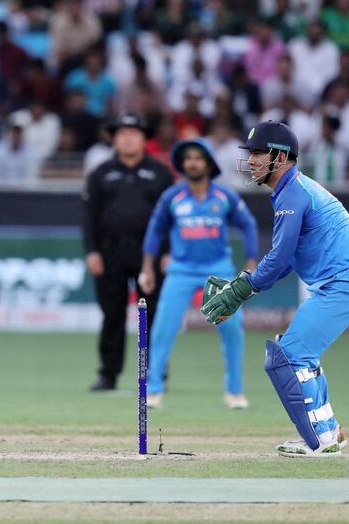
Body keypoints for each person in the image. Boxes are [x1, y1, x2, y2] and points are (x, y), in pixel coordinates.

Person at [201, 120, 349, 457]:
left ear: (280, 157)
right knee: (297, 354)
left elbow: (280, 255)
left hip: (345, 282)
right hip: (347, 280)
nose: (250, 160)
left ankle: (320, 442)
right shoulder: (293, 189)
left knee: (288, 357)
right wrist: (248, 286)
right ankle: (328, 432)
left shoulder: (293, 192)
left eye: (257, 153)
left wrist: (244, 287)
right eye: (249, 153)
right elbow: (285, 262)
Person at [139, 138, 258, 409]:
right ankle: (154, 389)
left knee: (232, 328)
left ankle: (235, 391)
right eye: (187, 158)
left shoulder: (225, 196)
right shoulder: (172, 197)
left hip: (218, 270)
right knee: (162, 330)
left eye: (198, 157)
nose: (192, 162)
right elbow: (155, 230)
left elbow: (248, 224)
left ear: (208, 163)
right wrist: (147, 266)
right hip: (180, 270)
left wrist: (251, 261)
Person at [83, 114, 174, 391]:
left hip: (149, 255)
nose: (127, 138)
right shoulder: (100, 174)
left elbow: (172, 217)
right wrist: (91, 252)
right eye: (121, 133)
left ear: (144, 138)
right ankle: (108, 374)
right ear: (114, 139)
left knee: (153, 314)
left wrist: (169, 252)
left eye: (133, 133)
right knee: (111, 314)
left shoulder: (160, 173)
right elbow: (89, 217)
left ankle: (154, 372)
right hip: (110, 253)